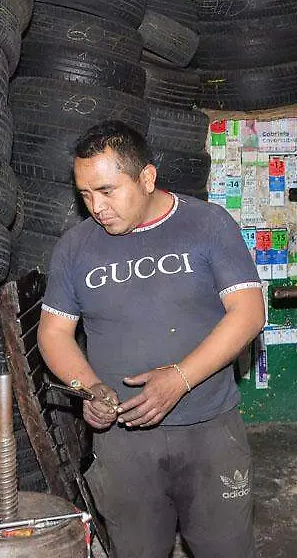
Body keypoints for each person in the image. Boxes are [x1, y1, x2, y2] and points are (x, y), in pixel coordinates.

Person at [38, 120, 266, 558]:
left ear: (147, 177)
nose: (96, 207)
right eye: (85, 195)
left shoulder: (206, 224)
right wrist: (89, 387)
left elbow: (249, 312)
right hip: (123, 442)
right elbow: (54, 332)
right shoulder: (75, 247)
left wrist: (180, 378)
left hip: (209, 431)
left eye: (107, 191)